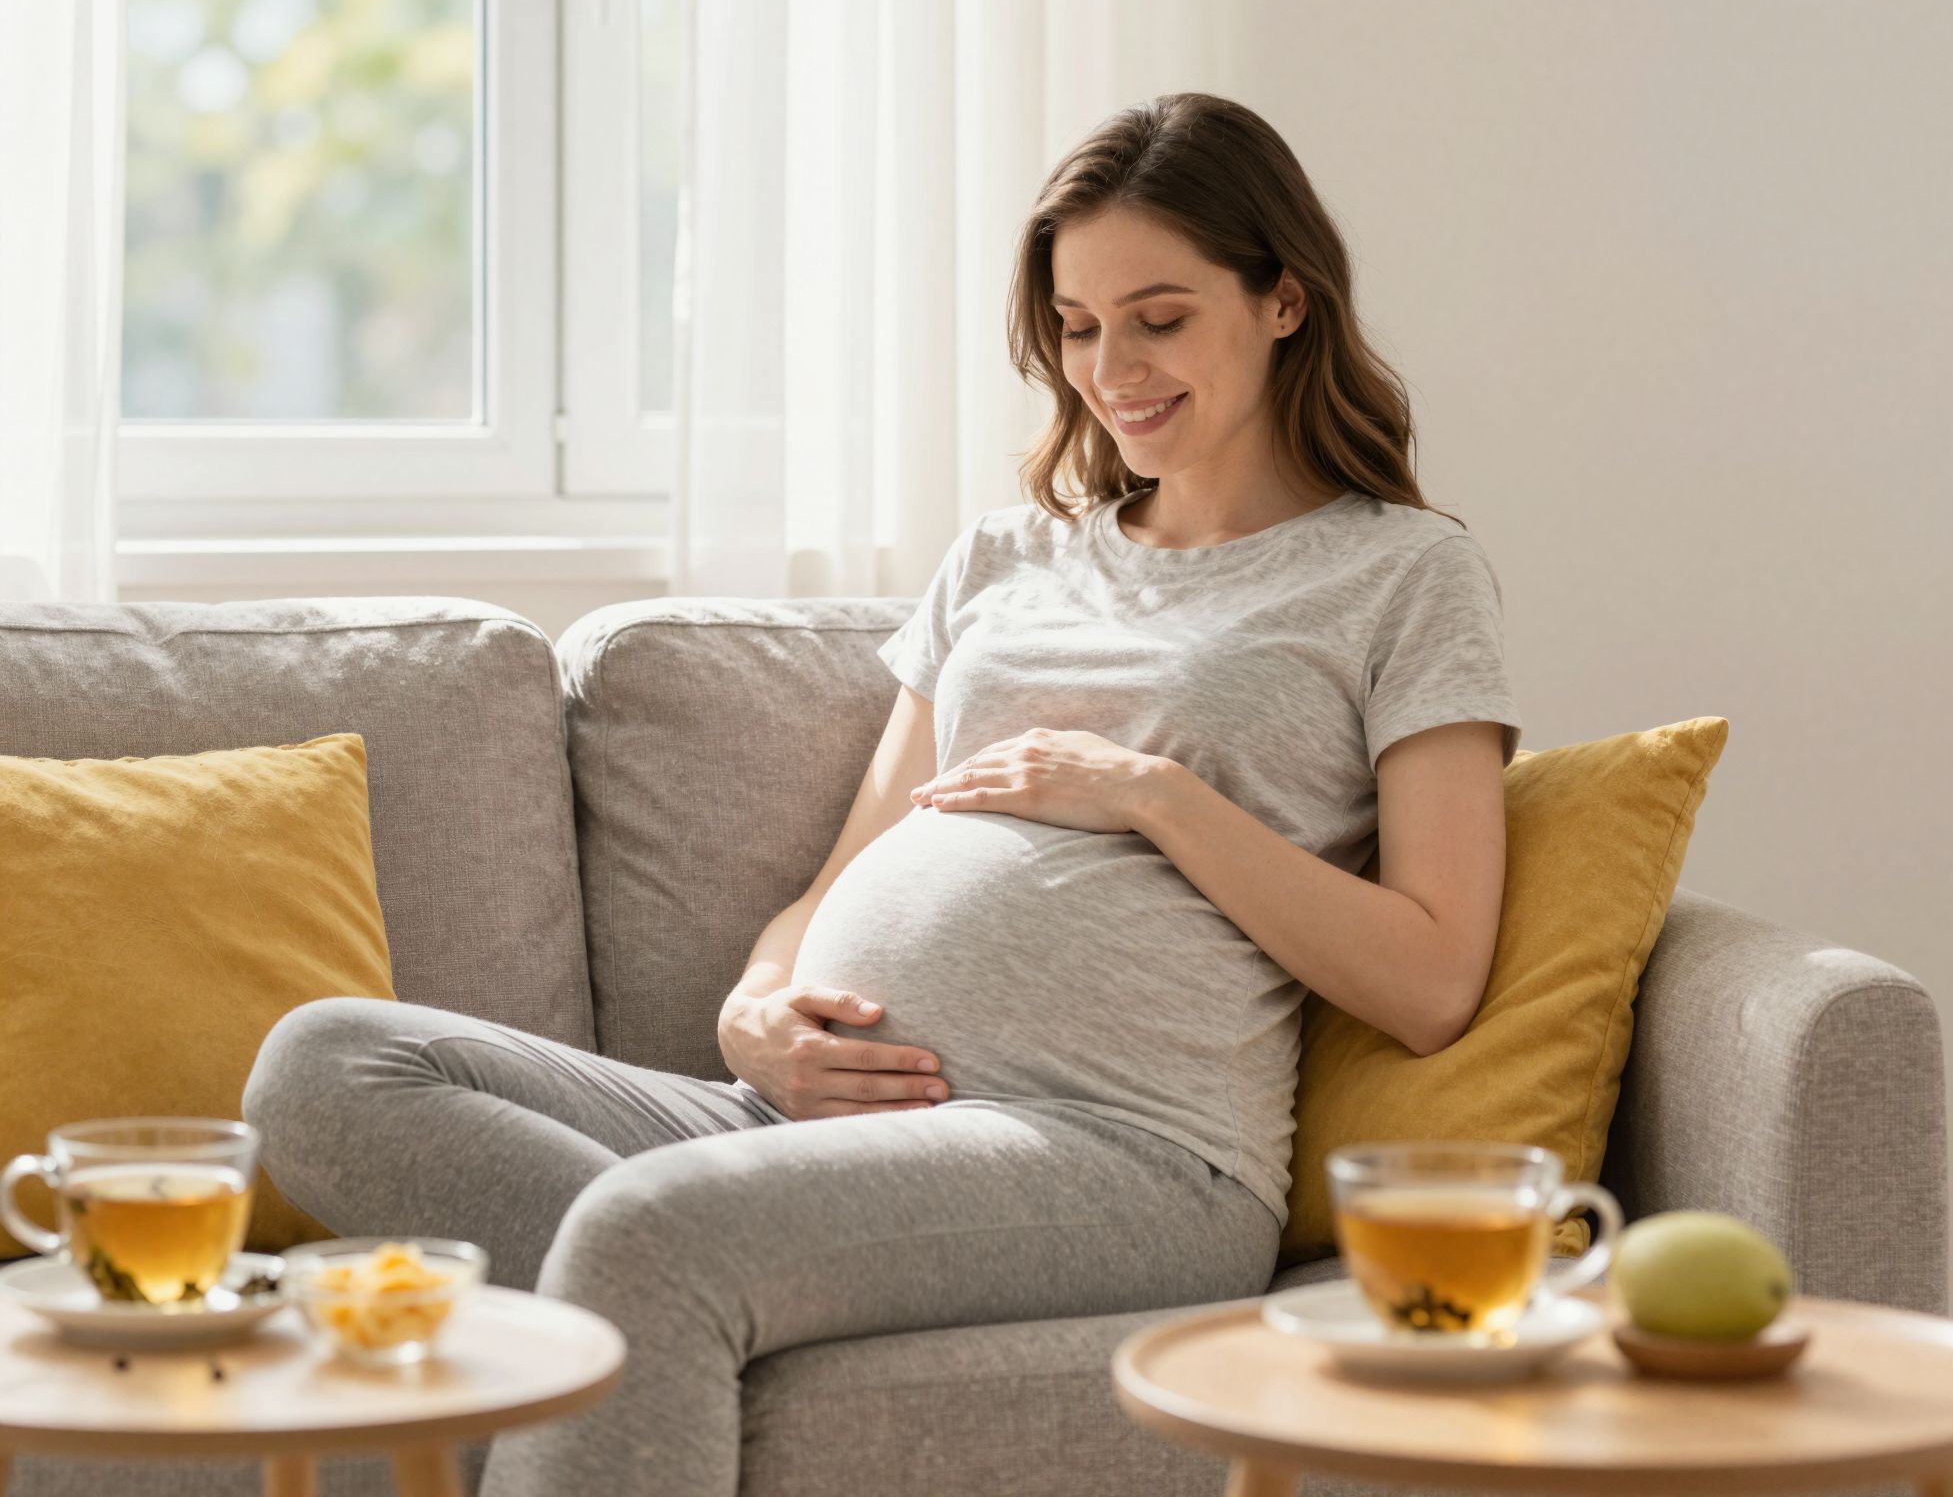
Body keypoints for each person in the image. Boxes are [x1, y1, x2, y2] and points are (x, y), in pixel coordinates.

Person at [242, 90, 1523, 1497]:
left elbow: (1432, 974)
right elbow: (843, 871)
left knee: (654, 1236)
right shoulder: (1003, 559)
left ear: (1283, 300)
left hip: (1122, 1152)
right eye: (1079, 327)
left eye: (1160, 318)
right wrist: (755, 1009)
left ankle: (688, 1282)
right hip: (807, 1123)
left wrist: (1158, 795)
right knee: (325, 1065)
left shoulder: (1403, 575)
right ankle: (714, 1295)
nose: (1113, 367)